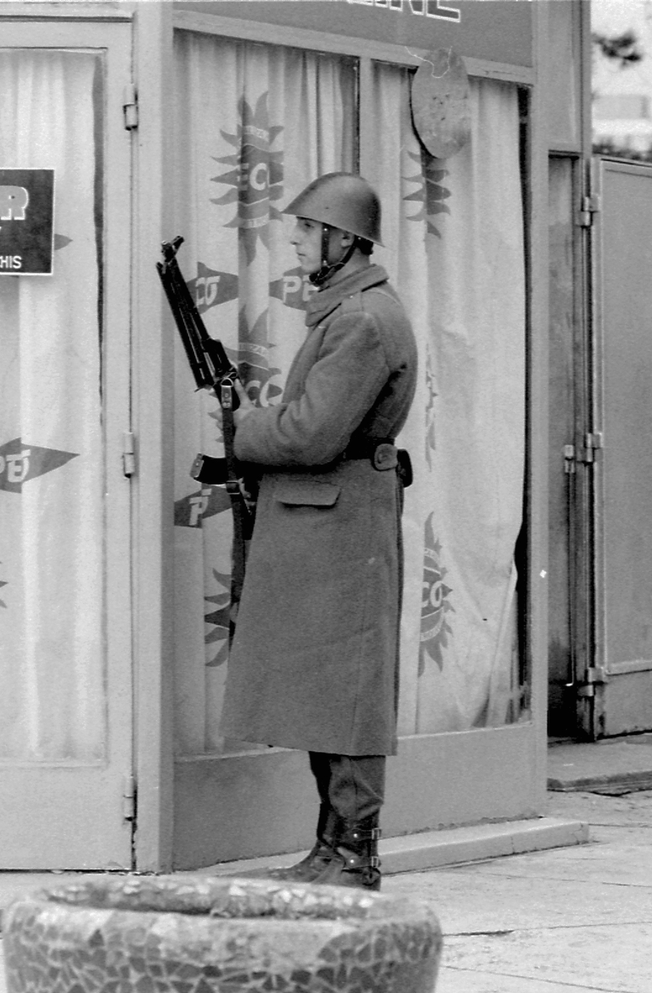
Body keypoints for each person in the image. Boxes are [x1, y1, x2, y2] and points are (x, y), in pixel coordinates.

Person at [221, 171, 417, 891]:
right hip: (330, 520)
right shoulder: (348, 313)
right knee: (326, 691)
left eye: (306, 228)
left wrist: (244, 427)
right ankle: (331, 848)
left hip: (342, 523)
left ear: (342, 239)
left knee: (350, 695)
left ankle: (353, 852)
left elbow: (310, 433)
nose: (295, 239)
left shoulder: (361, 320)